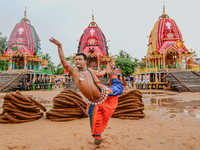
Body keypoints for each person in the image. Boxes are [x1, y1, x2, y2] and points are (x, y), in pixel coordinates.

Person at [49, 37, 123, 150]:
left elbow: (100, 73)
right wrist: (59, 46)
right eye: (76, 59)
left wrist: (107, 71)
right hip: (94, 102)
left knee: (118, 88)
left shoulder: (90, 71)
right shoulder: (74, 73)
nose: (77, 61)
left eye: (80, 59)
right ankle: (98, 142)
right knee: (95, 123)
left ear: (85, 61)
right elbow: (64, 61)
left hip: (104, 94)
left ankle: (113, 76)